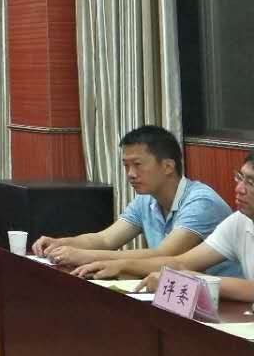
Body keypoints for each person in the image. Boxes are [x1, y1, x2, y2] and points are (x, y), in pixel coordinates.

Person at [32, 125, 238, 277]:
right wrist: (62, 243)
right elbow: (105, 239)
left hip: (227, 299)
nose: (130, 174)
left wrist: (85, 256)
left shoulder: (201, 202)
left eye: (138, 165)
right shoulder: (145, 200)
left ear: (168, 166)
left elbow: (165, 254)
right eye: (126, 166)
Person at [74, 151, 254, 299]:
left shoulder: (203, 202)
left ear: (168, 166)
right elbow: (180, 262)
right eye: (240, 178)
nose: (239, 189)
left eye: (251, 182)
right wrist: (121, 265)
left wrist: (195, 281)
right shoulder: (238, 221)